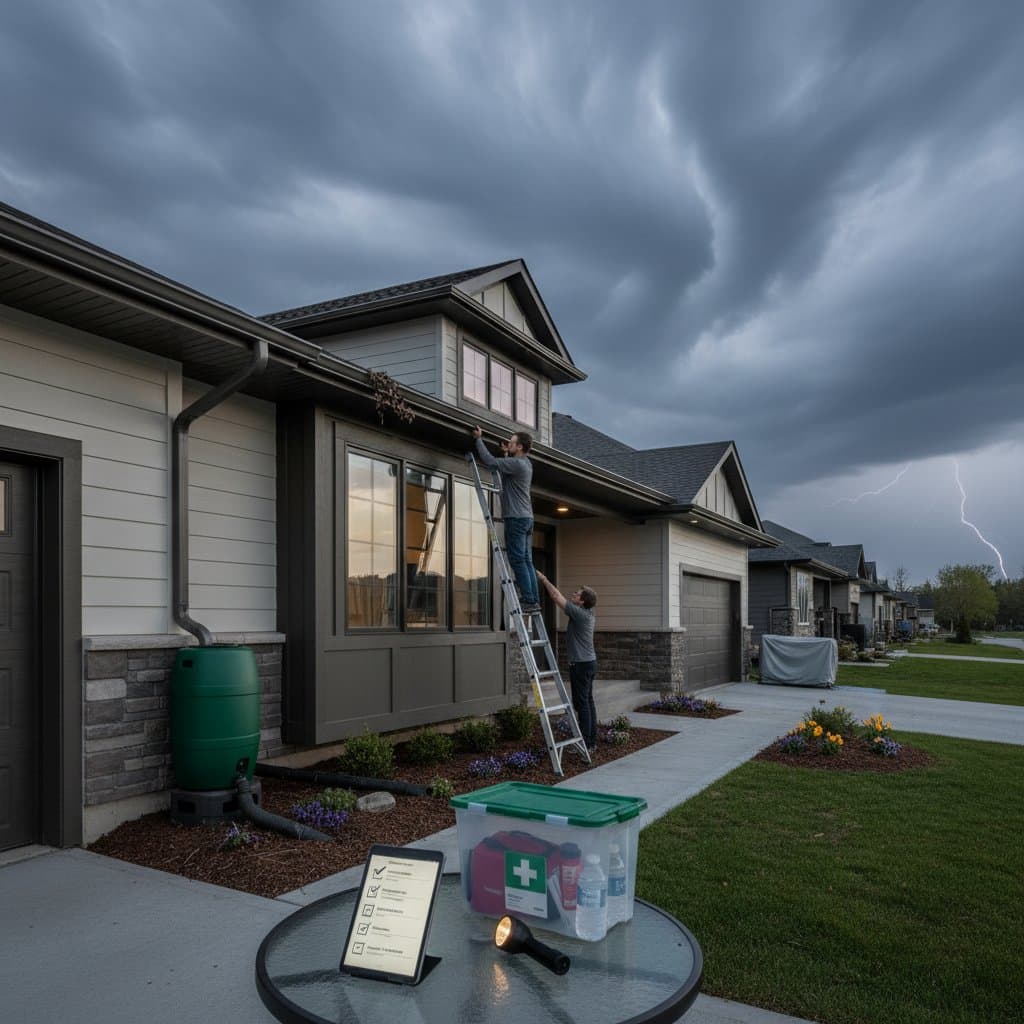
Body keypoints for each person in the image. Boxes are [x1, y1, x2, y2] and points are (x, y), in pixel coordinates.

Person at [472, 426, 540, 613]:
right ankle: (533, 600)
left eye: (511, 443)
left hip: (516, 518)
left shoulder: (517, 464)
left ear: (519, 447)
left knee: (518, 560)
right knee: (526, 561)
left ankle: (528, 599)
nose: (508, 444)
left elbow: (491, 462)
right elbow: (508, 466)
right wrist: (507, 455)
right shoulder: (526, 463)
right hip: (527, 517)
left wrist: (479, 439)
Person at [536, 572, 598, 753]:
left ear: (582, 602)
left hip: (581, 665)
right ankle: (591, 742)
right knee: (588, 702)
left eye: (577, 595)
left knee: (582, 704)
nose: (573, 595)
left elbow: (556, 596)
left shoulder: (580, 614)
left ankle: (586, 743)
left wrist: (544, 579)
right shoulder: (588, 612)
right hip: (588, 663)